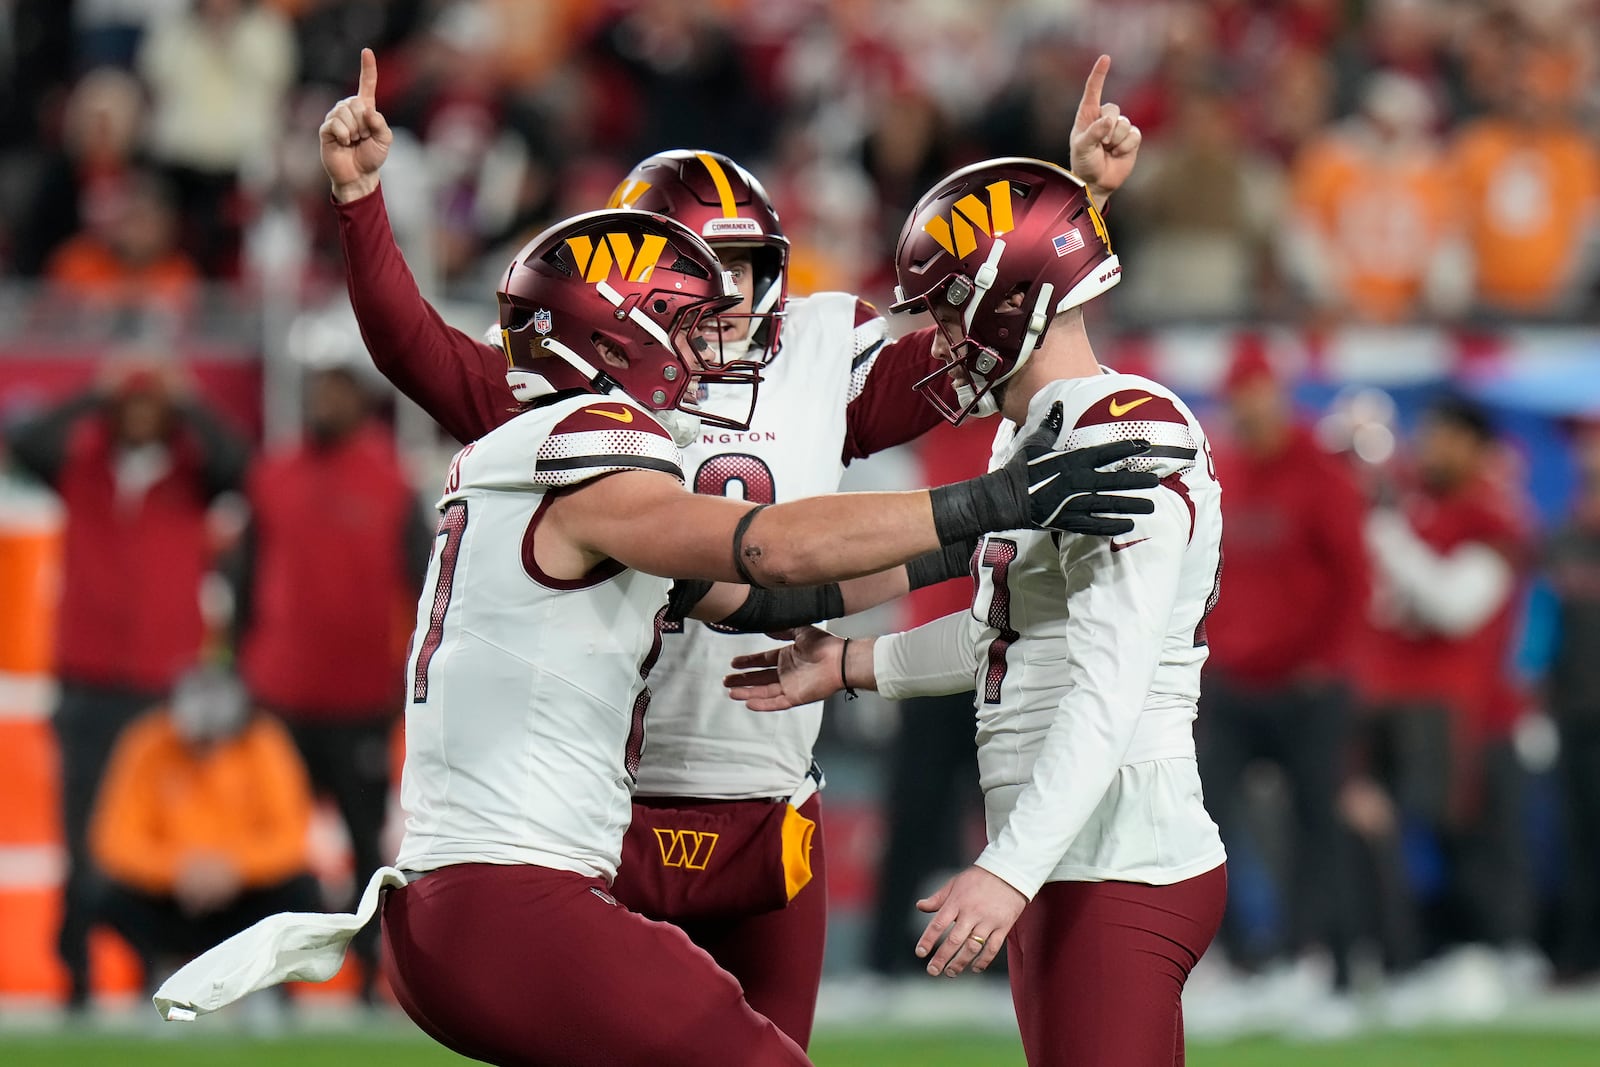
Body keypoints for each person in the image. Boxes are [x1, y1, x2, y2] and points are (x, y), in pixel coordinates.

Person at [150, 205, 1159, 1065]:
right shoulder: (588, 454)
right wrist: (992, 497)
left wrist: (988, 536)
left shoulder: (525, 457)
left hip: (465, 910)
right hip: (515, 905)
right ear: (613, 335)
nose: (703, 346)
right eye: (679, 321)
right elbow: (767, 549)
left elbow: (762, 605)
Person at [318, 46, 1145, 1044]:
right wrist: (361, 203)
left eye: (741, 267)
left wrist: (1072, 209)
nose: (720, 297)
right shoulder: (577, 409)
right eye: (688, 273)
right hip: (602, 807)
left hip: (758, 784)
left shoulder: (803, 358)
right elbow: (771, 550)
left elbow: (986, 327)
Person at [726, 157, 1229, 1067]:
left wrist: (1007, 869)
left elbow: (1106, 686)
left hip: (1114, 849)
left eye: (952, 309)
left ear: (1014, 301)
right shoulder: (1042, 430)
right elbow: (1006, 640)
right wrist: (845, 665)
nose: (942, 338)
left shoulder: (1122, 431)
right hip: (1074, 846)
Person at [2, 357, 249, 1010]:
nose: (140, 414)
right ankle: (76, 971)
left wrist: (186, 398)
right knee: (82, 834)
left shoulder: (192, 477)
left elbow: (238, 460)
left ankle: (155, 971)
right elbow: (26, 441)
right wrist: (96, 391)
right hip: (88, 682)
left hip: (163, 684)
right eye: (130, 405)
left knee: (162, 833)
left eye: (151, 406)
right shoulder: (80, 469)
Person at [234, 361, 432, 1000]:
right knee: (271, 842)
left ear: (363, 404)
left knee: (365, 845)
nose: (324, 403)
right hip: (279, 694)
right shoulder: (273, 476)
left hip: (361, 699)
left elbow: (428, 586)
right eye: (317, 391)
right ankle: (269, 980)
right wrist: (245, 669)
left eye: (336, 392)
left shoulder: (392, 484)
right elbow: (243, 581)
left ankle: (376, 977)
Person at [1199, 344, 1368, 994]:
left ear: (1277, 397)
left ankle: (1318, 959)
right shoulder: (1225, 471)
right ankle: (1240, 954)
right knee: (1200, 814)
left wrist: (1329, 662)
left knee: (1317, 821)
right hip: (1236, 679)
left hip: (1306, 683)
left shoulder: (1320, 475)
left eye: (1256, 395)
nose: (1246, 409)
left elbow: (1355, 579)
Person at [1353, 395, 1533, 972]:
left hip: (1463, 705)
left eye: (1445, 437)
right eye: (1428, 433)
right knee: (1391, 838)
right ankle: (1410, 956)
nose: (1429, 446)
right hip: (1390, 695)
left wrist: (1388, 536)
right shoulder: (1412, 501)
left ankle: (1490, 953)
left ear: (1476, 448)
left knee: (1461, 837)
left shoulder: (1492, 516)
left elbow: (1456, 606)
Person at [88, 665, 321, 990]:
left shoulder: (265, 743)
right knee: (102, 894)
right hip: (170, 896)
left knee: (303, 891)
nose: (206, 747)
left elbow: (291, 837)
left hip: (245, 894)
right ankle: (162, 973)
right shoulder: (147, 743)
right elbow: (114, 840)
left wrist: (233, 868)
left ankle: (263, 983)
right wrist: (179, 870)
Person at [1544, 422, 1600, 979]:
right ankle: (1580, 953)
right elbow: (1539, 629)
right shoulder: (1563, 542)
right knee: (1579, 837)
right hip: (1578, 712)